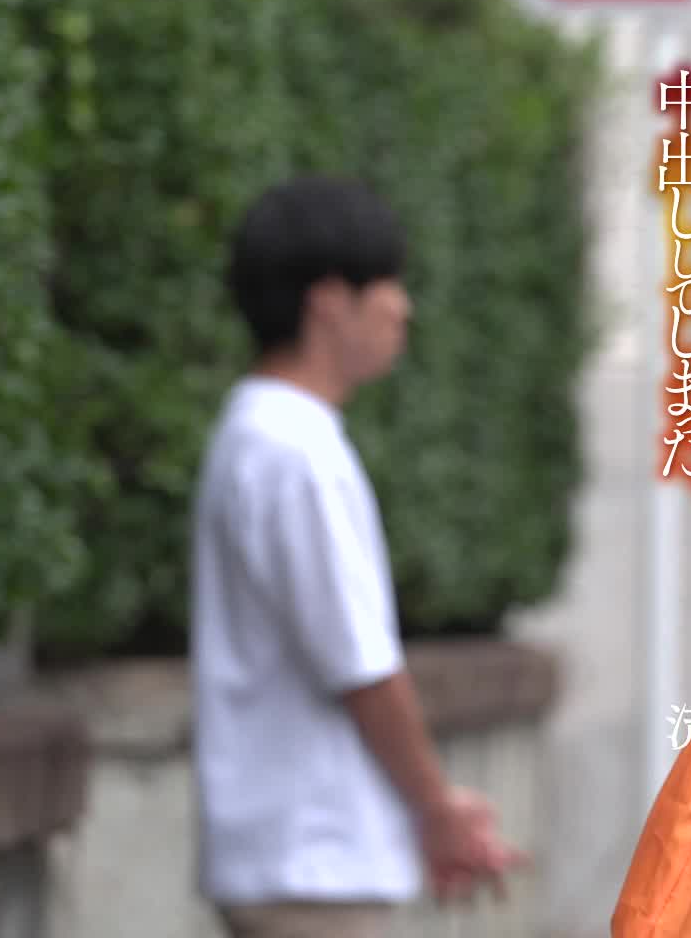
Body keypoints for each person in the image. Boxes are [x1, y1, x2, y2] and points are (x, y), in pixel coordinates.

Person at [190, 176, 527, 938]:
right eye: (388, 285)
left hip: (294, 853)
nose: (402, 308)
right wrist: (437, 808)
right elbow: (360, 667)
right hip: (310, 861)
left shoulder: (263, 435)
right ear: (329, 301)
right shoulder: (294, 450)